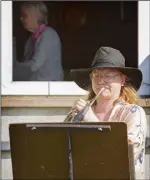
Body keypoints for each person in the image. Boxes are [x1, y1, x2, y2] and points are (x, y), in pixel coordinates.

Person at [70, 47, 147, 179]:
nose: (101, 81)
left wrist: (92, 121)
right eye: (96, 75)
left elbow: (123, 156)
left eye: (108, 75)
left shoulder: (133, 113)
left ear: (122, 80)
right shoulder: (80, 113)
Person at [14, 1, 64, 81]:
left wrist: (13, 67)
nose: (21, 18)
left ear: (36, 16)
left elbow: (34, 65)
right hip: (36, 87)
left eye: (24, 15)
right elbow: (26, 66)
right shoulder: (30, 39)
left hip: (49, 88)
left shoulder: (49, 35)